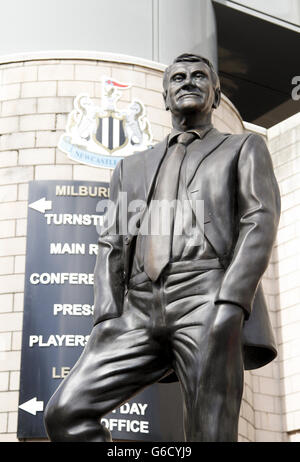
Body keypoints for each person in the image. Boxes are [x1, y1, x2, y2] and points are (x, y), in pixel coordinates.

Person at [44, 53, 281, 442]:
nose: (188, 82)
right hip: (135, 310)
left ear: (216, 96)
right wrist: (106, 317)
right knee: (66, 414)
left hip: (205, 296)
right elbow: (111, 245)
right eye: (178, 78)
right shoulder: (131, 167)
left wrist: (232, 303)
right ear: (166, 98)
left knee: (210, 433)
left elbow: (259, 222)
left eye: (200, 77)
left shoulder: (242, 148)